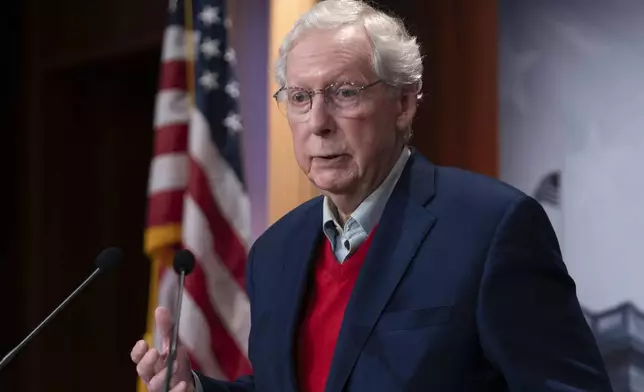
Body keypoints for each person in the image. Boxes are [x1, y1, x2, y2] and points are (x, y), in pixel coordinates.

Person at [131, 0, 613, 391]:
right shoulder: (275, 251)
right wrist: (195, 387)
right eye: (299, 98)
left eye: (343, 94)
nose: (317, 123)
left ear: (403, 104)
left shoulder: (491, 229)